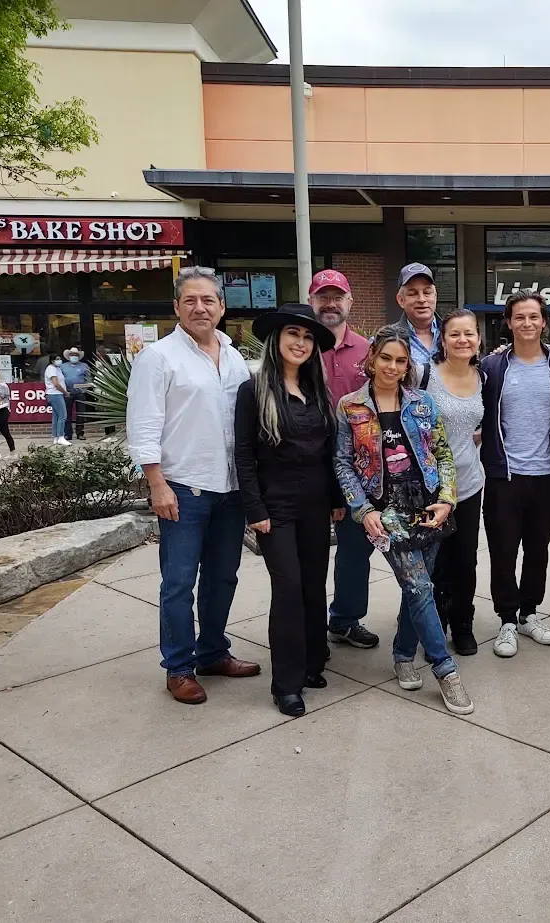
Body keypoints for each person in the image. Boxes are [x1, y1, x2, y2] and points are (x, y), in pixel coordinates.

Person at [127, 266, 261, 705]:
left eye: (208, 300)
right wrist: (156, 483)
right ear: (177, 308)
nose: (200, 308)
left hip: (230, 488)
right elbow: (143, 425)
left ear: (222, 307)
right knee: (179, 582)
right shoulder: (159, 357)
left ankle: (213, 652)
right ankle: (179, 667)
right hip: (183, 488)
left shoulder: (234, 355)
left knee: (223, 577)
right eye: (191, 301)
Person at [335, 326, 474, 715]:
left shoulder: (423, 403)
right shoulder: (351, 406)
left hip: (427, 508)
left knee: (419, 588)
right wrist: (364, 510)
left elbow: (443, 454)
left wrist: (447, 499)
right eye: (385, 358)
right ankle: (445, 669)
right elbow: (343, 463)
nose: (392, 366)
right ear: (371, 359)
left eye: (400, 360)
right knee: (418, 586)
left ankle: (401, 653)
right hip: (386, 513)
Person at [235, 303, 346, 717]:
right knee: (288, 590)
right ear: (276, 340)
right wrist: (255, 508)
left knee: (315, 586)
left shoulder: (318, 391)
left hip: (317, 504)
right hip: (275, 508)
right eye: (292, 335)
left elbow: (328, 453)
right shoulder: (254, 390)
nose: (300, 343)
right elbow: (244, 455)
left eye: (307, 338)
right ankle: (286, 683)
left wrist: (336, 499)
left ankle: (312, 663)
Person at [479, 290, 550, 658]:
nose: (528, 323)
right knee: (503, 552)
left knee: (537, 551)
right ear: (509, 322)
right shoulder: (493, 366)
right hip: (506, 477)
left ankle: (529, 614)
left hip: (549, 476)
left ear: (544, 322)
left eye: (534, 317)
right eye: (520, 317)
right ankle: (505, 620)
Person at [308, 268, 380, 650]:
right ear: (312, 301)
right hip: (305, 467)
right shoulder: (300, 345)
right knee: (308, 551)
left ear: (350, 303)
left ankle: (344, 619)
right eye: (323, 297)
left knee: (355, 548)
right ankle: (306, 627)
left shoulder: (368, 350)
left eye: (338, 297)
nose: (330, 304)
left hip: (354, 469)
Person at [425, 309, 486, 656]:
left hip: (469, 484)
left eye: (469, 334)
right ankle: (434, 625)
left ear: (478, 339)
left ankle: (463, 622)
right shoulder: (424, 375)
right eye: (454, 334)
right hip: (430, 487)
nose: (462, 340)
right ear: (442, 340)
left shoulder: (484, 377)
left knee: (465, 559)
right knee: (435, 561)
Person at [392, 262, 441, 370]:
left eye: (427, 292)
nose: (422, 299)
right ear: (401, 300)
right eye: (412, 293)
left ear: (435, 296)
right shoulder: (385, 340)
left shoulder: (455, 336)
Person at [61, 347, 91, 442]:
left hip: (80, 393)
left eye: (76, 355)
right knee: (67, 414)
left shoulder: (84, 366)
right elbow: (59, 379)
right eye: (72, 355)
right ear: (69, 356)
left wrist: (85, 389)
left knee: (81, 414)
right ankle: (68, 434)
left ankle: (80, 433)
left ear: (79, 356)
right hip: (67, 393)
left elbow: (89, 379)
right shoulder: (63, 366)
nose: (74, 356)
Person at [44, 354, 70, 447]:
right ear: (52, 361)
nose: (60, 360)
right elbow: (56, 383)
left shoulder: (57, 368)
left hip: (55, 394)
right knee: (63, 415)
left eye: (60, 359)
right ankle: (61, 436)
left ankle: (55, 437)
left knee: (56, 416)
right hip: (55, 394)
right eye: (57, 359)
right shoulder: (51, 369)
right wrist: (65, 392)